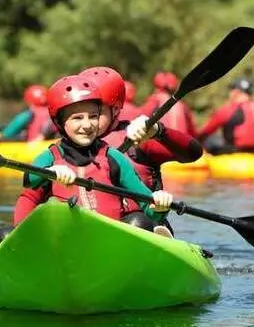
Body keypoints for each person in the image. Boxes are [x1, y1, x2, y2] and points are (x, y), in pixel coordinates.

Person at [9, 73, 174, 233]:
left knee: (139, 222)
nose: (87, 125)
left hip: (108, 241)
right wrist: (48, 173)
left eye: (93, 116)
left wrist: (159, 206)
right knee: (3, 236)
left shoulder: (113, 158)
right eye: (77, 118)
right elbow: (28, 183)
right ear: (59, 122)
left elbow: (147, 205)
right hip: (64, 240)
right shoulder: (51, 158)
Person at [86, 67, 202, 237]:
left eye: (95, 113)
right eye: (80, 112)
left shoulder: (138, 140)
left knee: (137, 222)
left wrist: (158, 131)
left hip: (146, 225)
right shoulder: (67, 147)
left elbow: (193, 153)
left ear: (116, 110)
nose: (88, 122)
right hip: (97, 227)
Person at [195, 77, 254, 154]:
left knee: (210, 139)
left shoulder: (230, 109)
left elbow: (205, 132)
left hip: (236, 151)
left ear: (236, 92)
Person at [139, 71, 196, 136]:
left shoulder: (156, 98)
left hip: (161, 140)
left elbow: (140, 118)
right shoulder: (182, 105)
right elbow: (192, 131)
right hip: (181, 142)